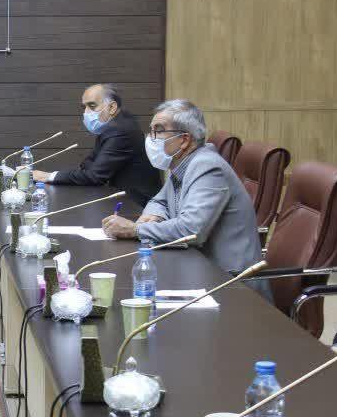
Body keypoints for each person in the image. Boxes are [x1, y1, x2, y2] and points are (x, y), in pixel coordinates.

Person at [101, 99, 266, 296]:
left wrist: (136, 229)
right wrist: (154, 216)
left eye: (158, 130)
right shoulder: (182, 164)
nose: (151, 138)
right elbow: (159, 200)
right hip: (199, 267)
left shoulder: (207, 167)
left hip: (230, 283)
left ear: (184, 140)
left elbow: (191, 230)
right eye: (151, 130)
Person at [33, 83, 159, 205]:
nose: (86, 113)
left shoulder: (120, 130)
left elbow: (94, 176)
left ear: (112, 107)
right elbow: (87, 165)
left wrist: (49, 176)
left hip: (136, 205)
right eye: (84, 107)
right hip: (121, 198)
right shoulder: (115, 125)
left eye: (92, 106)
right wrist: (92, 169)